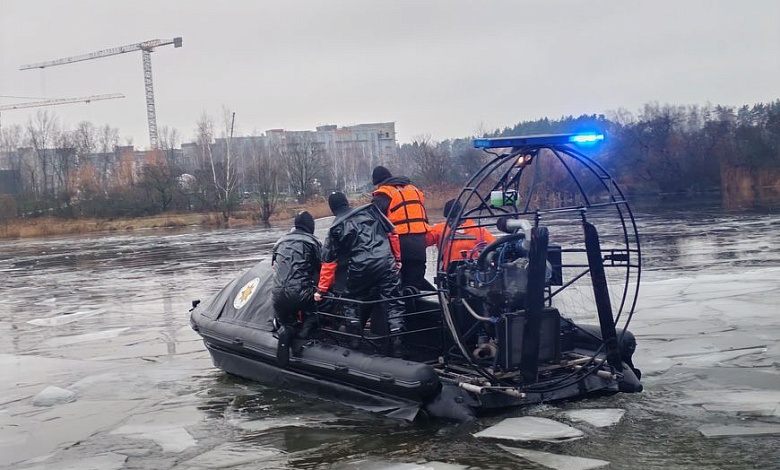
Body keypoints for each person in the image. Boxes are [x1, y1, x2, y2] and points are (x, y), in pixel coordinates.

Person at [314, 192, 406, 357]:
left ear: (332, 208)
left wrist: (321, 290)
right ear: (346, 202)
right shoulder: (372, 211)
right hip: (386, 263)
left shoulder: (336, 227)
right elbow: (393, 234)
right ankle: (397, 340)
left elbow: (328, 263)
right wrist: (397, 258)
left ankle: (354, 339)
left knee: (350, 299)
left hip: (360, 267)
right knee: (393, 301)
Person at [271, 211, 321, 367]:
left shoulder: (279, 242)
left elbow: (274, 267)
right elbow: (323, 269)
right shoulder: (313, 243)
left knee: (287, 319)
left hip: (277, 296)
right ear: (310, 226)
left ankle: (287, 328)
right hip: (300, 295)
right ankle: (306, 330)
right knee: (322, 301)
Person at [370, 165, 432, 291]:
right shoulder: (413, 190)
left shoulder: (383, 194)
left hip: (399, 245)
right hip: (420, 244)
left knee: (397, 286)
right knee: (415, 285)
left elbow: (373, 222)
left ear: (379, 183)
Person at [426, 198, 496, 271]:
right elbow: (424, 241)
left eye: (453, 218)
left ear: (462, 215)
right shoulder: (439, 230)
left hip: (474, 271)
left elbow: (495, 246)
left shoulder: (478, 230)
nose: (450, 222)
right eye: (448, 218)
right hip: (450, 273)